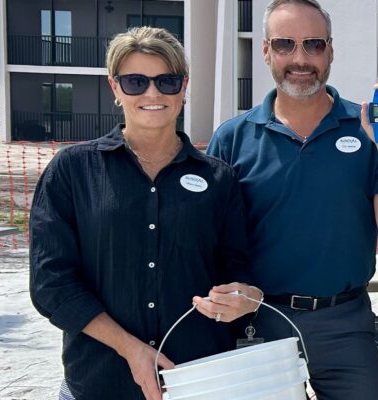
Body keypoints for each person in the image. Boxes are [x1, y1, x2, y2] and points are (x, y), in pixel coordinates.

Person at [30, 26, 259, 400]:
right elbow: (51, 284)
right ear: (115, 88)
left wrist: (245, 296)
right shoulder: (72, 170)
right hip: (100, 381)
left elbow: (236, 266)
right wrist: (130, 349)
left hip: (198, 380)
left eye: (166, 81)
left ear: (184, 87)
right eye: (136, 81)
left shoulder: (219, 178)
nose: (152, 93)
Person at [206, 0, 378, 398]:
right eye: (286, 44)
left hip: (345, 325)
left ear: (330, 51)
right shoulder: (232, 138)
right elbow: (209, 239)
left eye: (314, 45)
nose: (300, 59)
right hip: (258, 322)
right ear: (266, 50)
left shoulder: (366, 128)